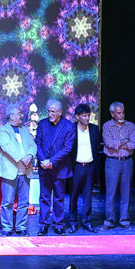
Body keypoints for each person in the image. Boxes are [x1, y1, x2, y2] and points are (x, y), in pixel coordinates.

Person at [35, 99, 76, 236]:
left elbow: (67, 148)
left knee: (59, 198)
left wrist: (51, 161)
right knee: (44, 197)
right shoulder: (42, 124)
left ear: (60, 112)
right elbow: (38, 144)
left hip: (59, 168)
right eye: (49, 111)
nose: (50, 114)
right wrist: (43, 161)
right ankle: (43, 225)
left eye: (53, 111)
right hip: (44, 167)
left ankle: (58, 225)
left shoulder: (69, 126)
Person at [0, 106, 38, 236]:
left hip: (26, 170)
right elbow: (6, 146)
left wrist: (30, 155)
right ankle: (7, 227)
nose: (21, 116)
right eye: (19, 113)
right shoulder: (3, 130)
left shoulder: (25, 130)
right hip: (10, 171)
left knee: (24, 201)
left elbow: (33, 145)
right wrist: (22, 158)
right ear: (11, 116)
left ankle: (21, 226)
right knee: (7, 201)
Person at [101, 101, 135, 228]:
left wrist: (119, 143)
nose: (122, 115)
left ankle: (124, 220)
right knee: (110, 192)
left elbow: (134, 144)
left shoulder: (131, 126)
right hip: (112, 162)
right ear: (112, 114)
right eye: (118, 113)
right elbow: (109, 144)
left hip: (127, 161)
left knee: (126, 192)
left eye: (123, 112)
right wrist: (125, 141)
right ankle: (109, 220)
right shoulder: (107, 126)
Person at [68, 103, 101, 233]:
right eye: (84, 116)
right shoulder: (71, 129)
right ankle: (73, 222)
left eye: (88, 115)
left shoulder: (94, 129)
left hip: (90, 167)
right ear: (77, 117)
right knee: (74, 195)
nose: (87, 118)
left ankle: (87, 221)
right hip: (76, 167)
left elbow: (97, 148)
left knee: (88, 196)